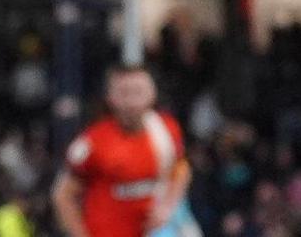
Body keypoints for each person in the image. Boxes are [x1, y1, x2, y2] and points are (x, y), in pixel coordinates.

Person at [53, 63, 196, 237]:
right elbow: (63, 196)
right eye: (124, 93)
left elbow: (181, 170)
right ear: (110, 97)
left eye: (138, 92)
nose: (132, 102)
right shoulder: (91, 142)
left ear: (152, 93)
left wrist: (167, 207)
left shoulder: (165, 130)